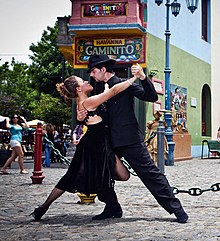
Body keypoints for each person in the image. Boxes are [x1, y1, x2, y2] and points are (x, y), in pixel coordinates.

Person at [78, 54, 189, 223]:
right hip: (106, 139)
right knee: (100, 172)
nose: (91, 75)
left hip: (128, 138)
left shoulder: (124, 84)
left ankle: (177, 209)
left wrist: (144, 78)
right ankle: (112, 207)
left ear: (103, 69)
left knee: (149, 173)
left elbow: (151, 97)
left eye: (93, 71)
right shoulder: (97, 88)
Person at [30, 73, 136, 220]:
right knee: (75, 177)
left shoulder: (85, 103)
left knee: (116, 175)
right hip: (94, 146)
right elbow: (113, 92)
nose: (87, 81)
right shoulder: (88, 103)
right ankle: (44, 206)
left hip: (100, 144)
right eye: (83, 81)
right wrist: (133, 79)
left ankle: (112, 206)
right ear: (79, 89)